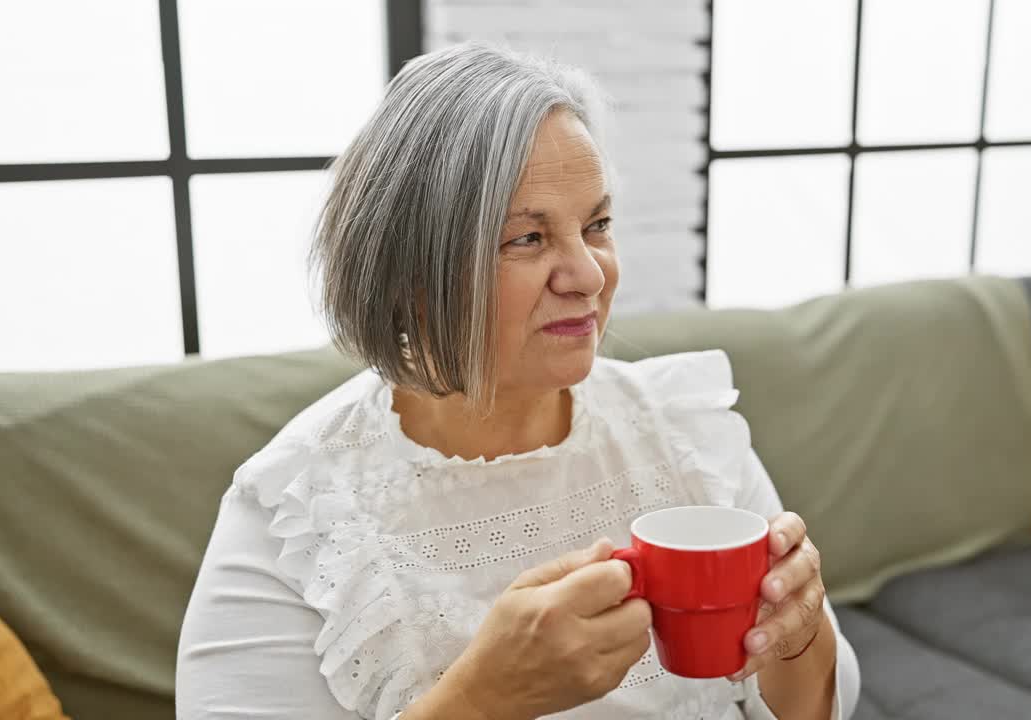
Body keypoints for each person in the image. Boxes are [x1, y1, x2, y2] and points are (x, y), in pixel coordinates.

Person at [176, 43, 859, 720]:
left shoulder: (682, 430)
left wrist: (798, 641)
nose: (589, 275)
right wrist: (480, 700)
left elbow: (817, 708)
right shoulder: (297, 512)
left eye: (596, 226)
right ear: (410, 273)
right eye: (527, 239)